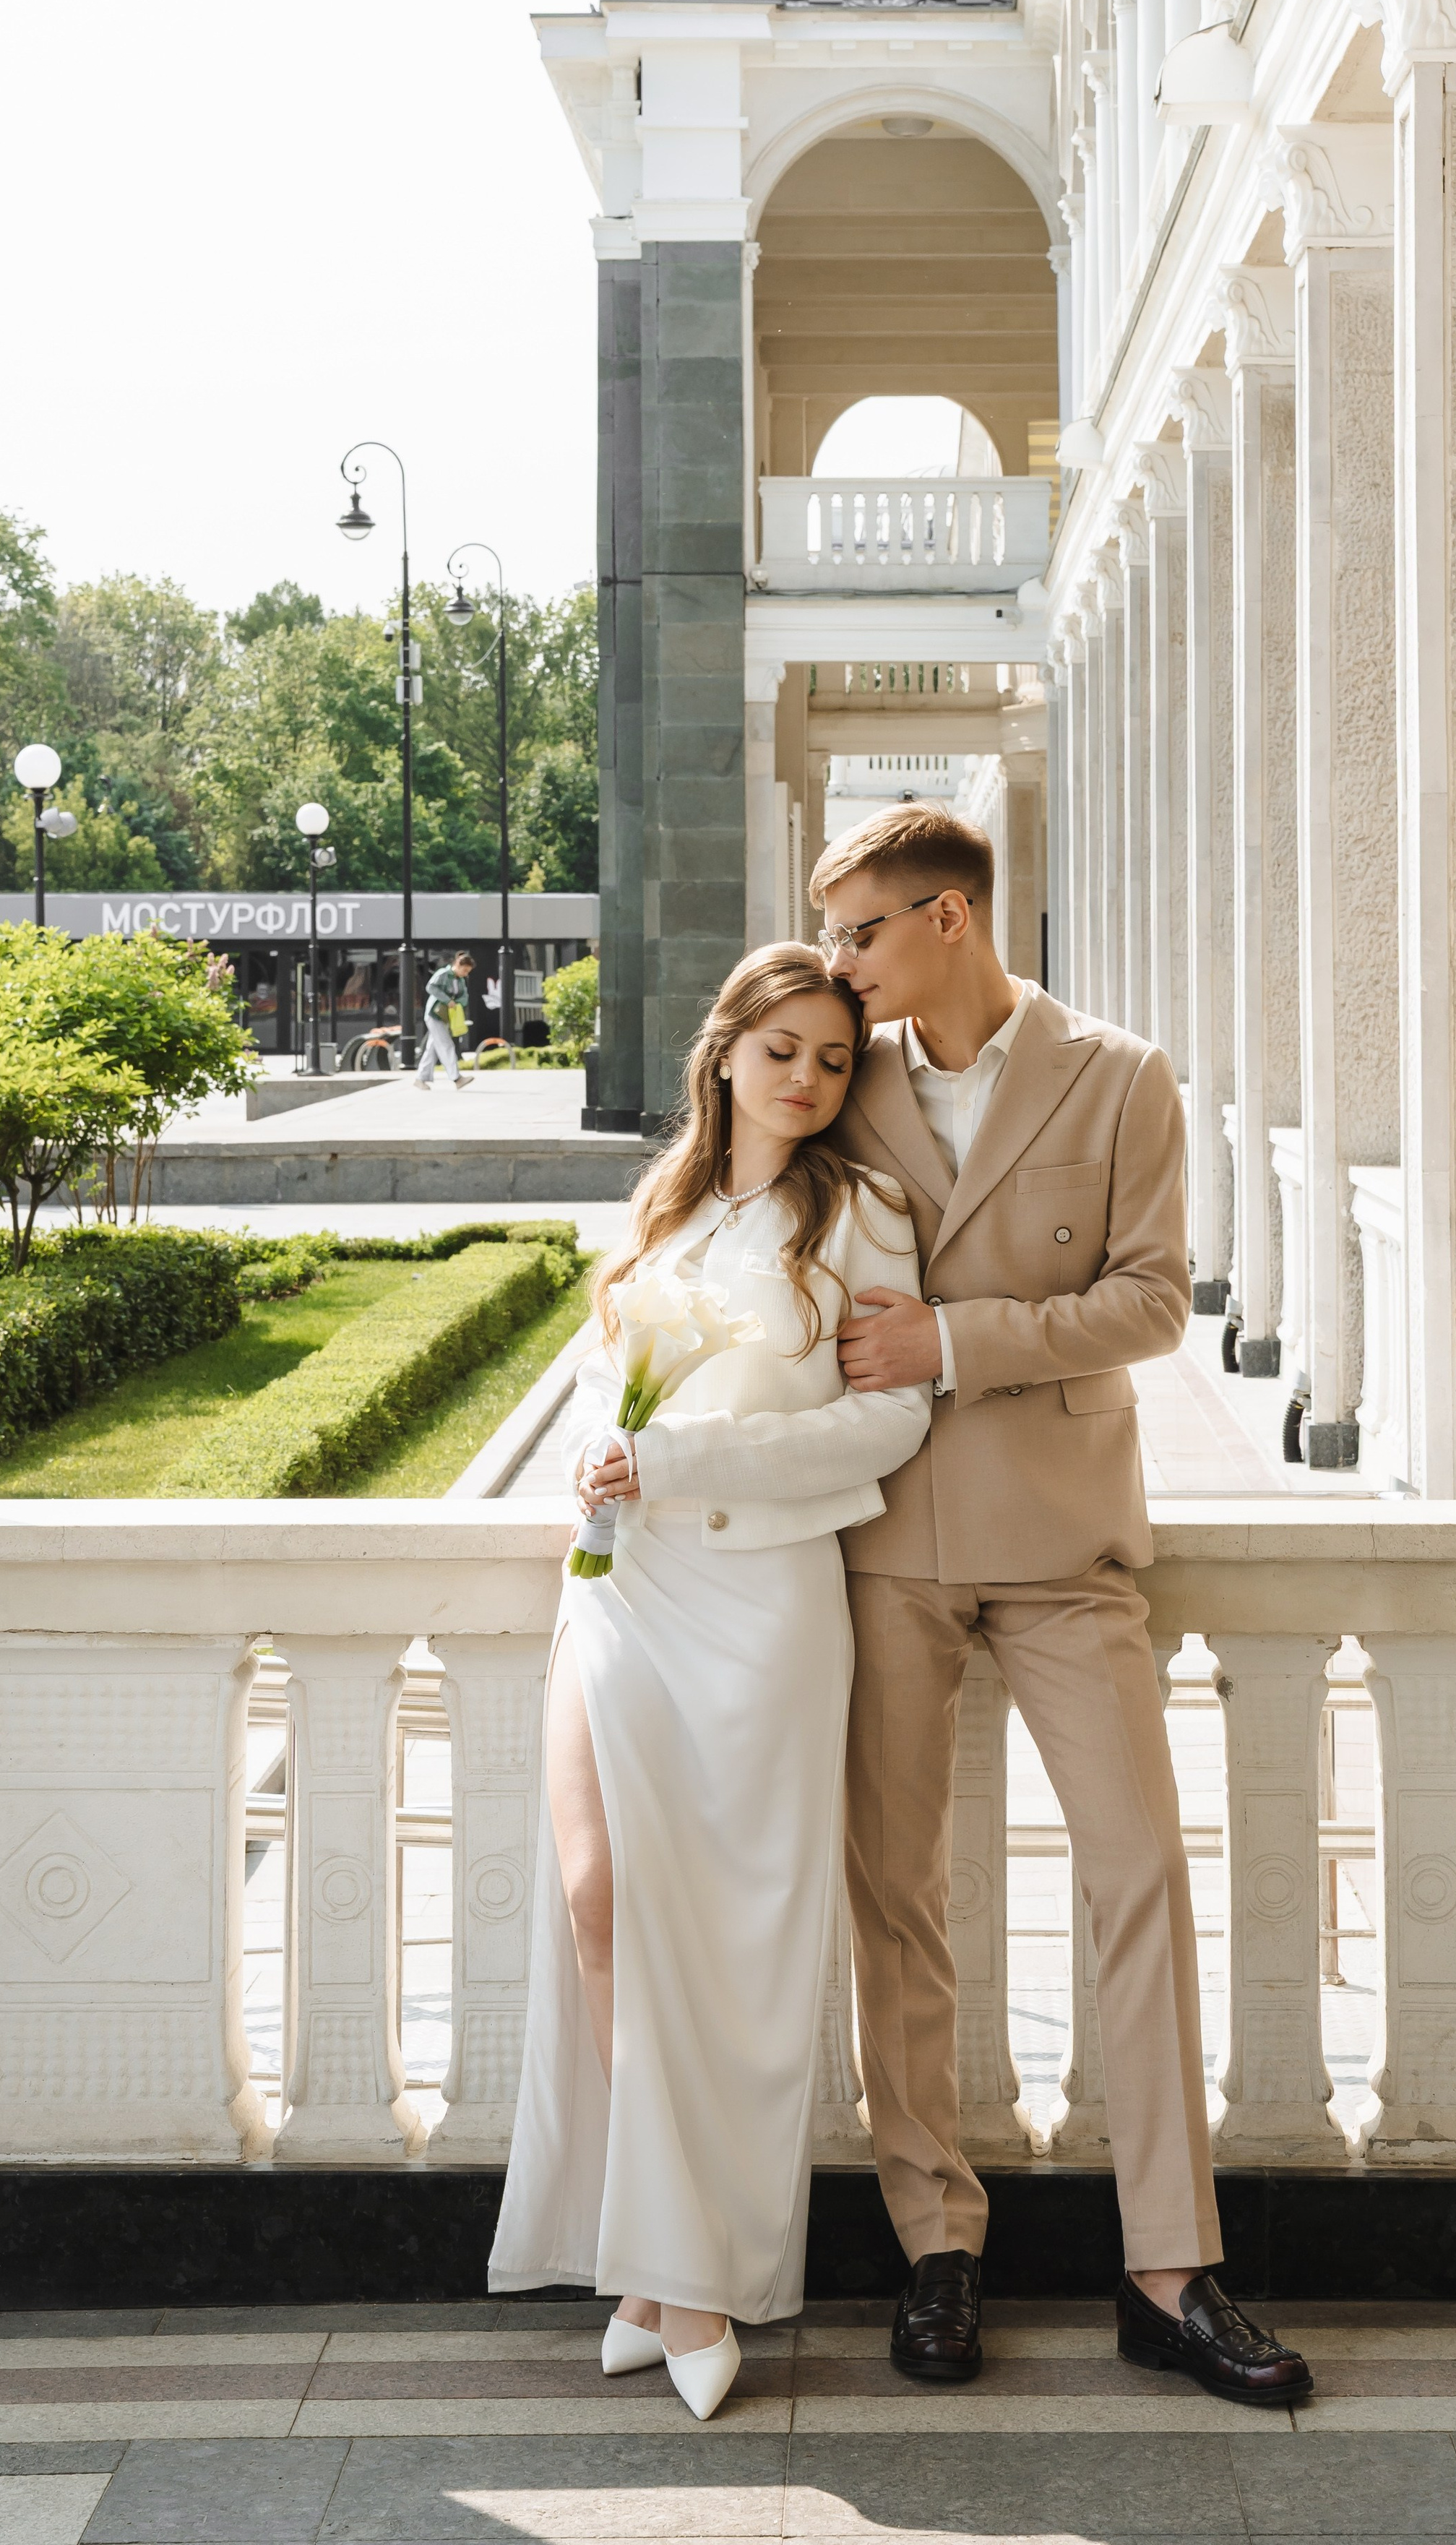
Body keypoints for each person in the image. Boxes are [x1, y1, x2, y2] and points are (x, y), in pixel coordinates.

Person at [816, 803, 1313, 2410]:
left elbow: (1154, 1299)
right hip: (883, 1534)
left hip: (1063, 1539)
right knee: (895, 1896)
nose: (841, 964)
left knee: (1139, 1874)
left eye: (863, 933)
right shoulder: (842, 1080)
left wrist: (951, 1345)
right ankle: (932, 2246)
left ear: (948, 917)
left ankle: (1168, 2267)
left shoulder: (1119, 1075)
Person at [489, 943, 932, 2418]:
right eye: (782, 1049)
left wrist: (674, 1459)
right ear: (726, 1049)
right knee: (593, 1896)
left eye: (832, 1058)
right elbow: (596, 1373)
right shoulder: (664, 1205)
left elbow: (883, 1427)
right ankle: (648, 2245)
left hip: (760, 1603)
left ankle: (684, 2277)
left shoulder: (862, 1215)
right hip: (623, 1585)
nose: (807, 1079)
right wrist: (600, 1464)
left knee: (737, 1949)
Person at [414, 951, 475, 1088]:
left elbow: (465, 997)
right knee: (446, 1045)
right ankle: (456, 1078)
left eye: (468, 972)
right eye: (465, 970)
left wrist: (455, 1002)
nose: (466, 974)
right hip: (435, 1015)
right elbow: (430, 987)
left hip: (446, 1016)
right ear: (458, 965)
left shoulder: (460, 980)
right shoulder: (443, 974)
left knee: (433, 1048)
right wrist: (447, 1000)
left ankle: (420, 1078)